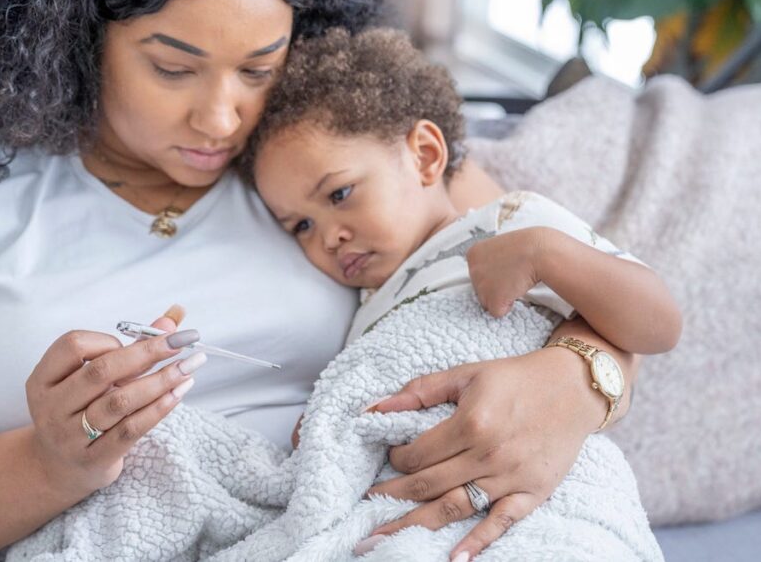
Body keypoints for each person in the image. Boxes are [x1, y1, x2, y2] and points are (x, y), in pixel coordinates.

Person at [0, 0, 672, 562]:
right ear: (66, 33)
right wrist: (52, 463)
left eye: (258, 67)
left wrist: (576, 384)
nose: (222, 119)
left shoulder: (323, 145)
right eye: (173, 67)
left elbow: (535, 275)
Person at [241, 27, 681, 555]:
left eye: (339, 194)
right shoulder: (361, 306)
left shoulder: (511, 223)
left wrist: (545, 254)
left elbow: (660, 324)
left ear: (425, 155)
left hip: (541, 480)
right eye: (301, 227)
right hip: (415, 501)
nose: (328, 236)